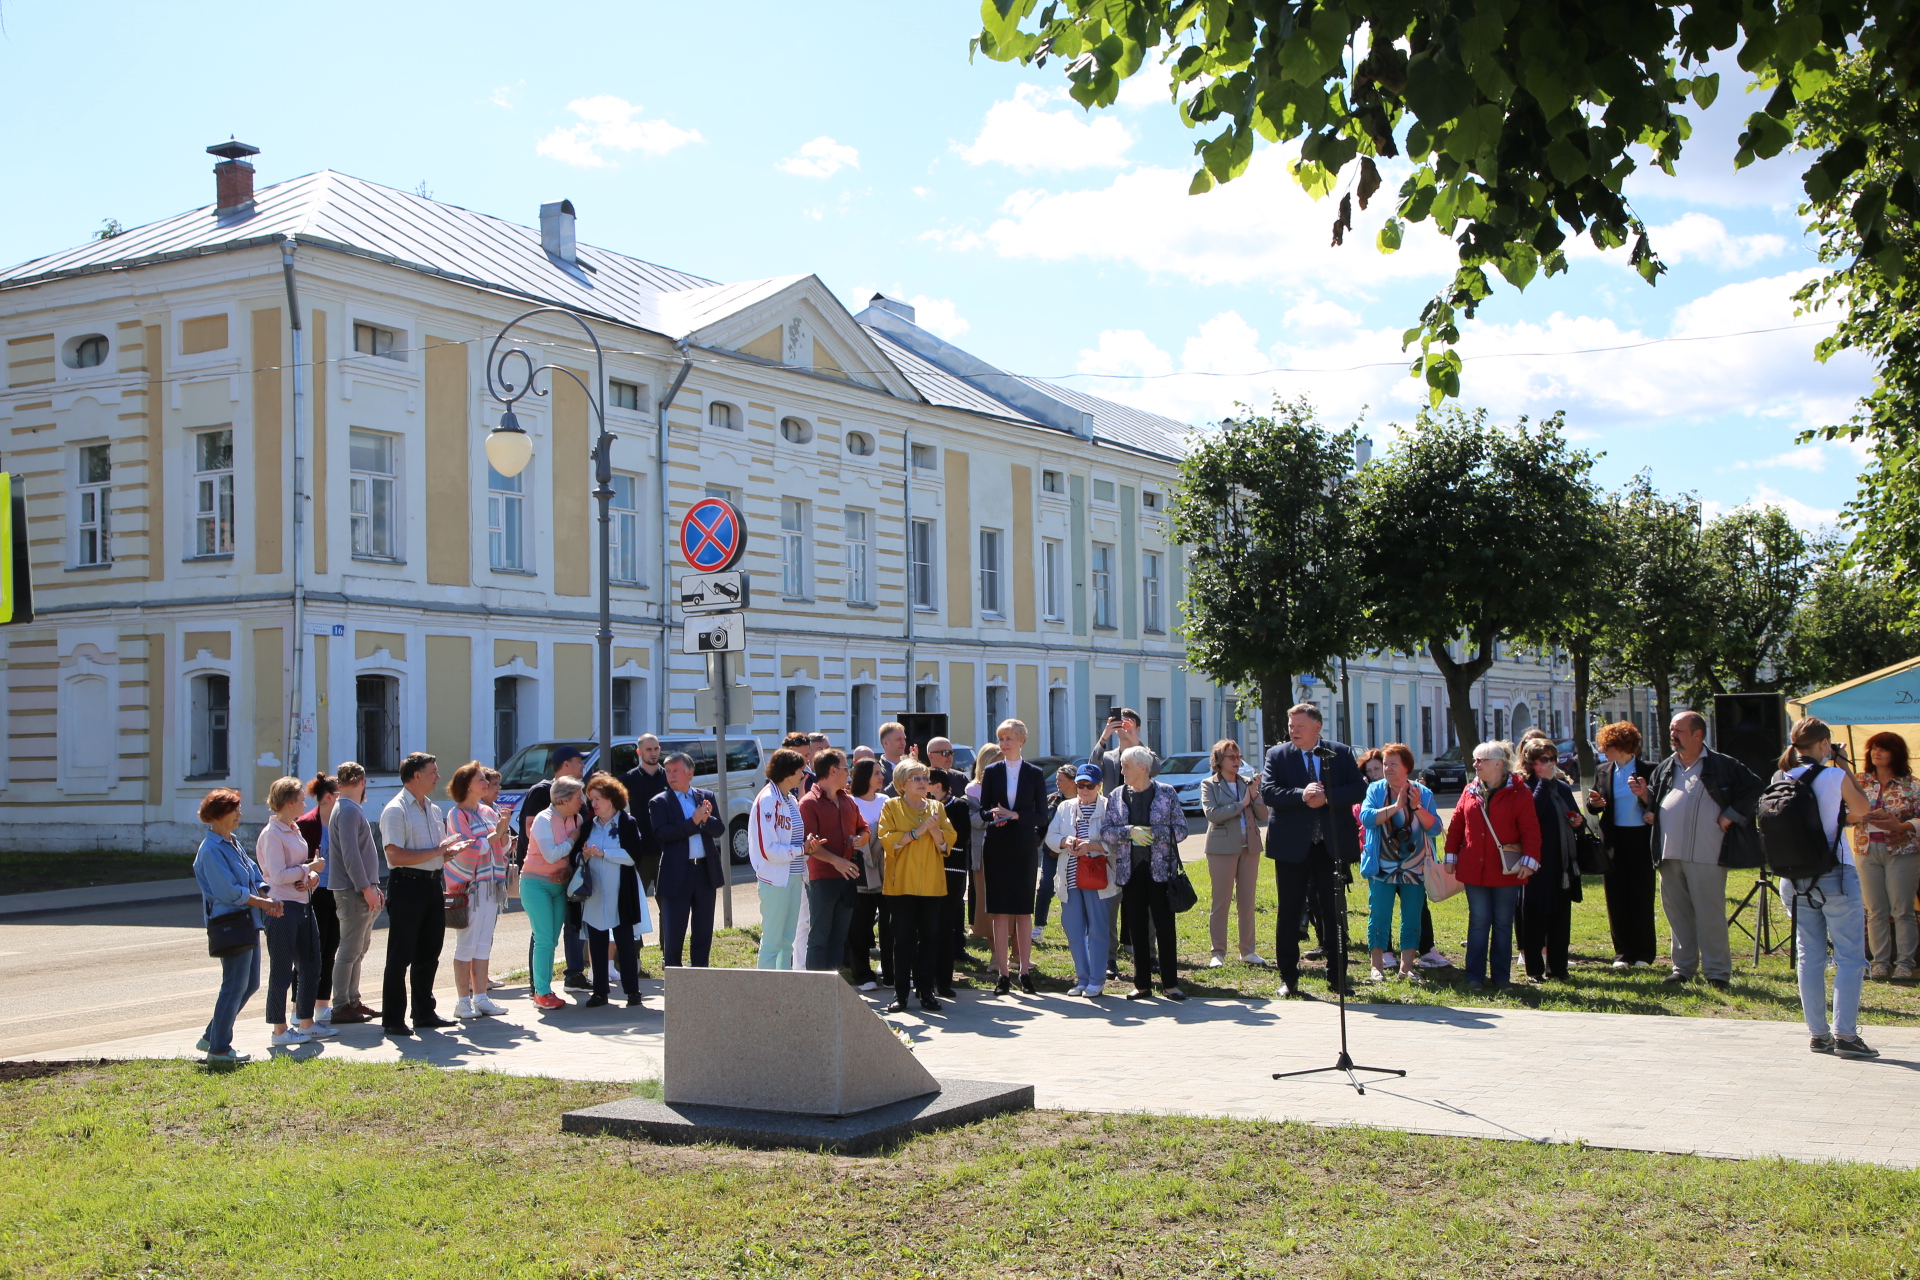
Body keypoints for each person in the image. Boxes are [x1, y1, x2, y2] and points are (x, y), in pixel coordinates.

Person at [1777, 717, 1886, 1057]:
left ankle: (1818, 1034)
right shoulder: (1836, 776)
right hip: (1834, 874)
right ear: (1824, 744)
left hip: (1794, 879)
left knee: (1810, 956)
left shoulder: (1781, 777)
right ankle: (1847, 1035)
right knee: (1850, 957)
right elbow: (1863, 808)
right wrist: (1841, 764)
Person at [1644, 710, 1764, 990]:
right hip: (1668, 852)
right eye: (1672, 730)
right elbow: (1655, 799)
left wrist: (1731, 814)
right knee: (1677, 914)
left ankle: (1717, 972)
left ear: (1698, 734)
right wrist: (1645, 799)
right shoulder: (1666, 766)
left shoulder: (1722, 765)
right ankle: (1683, 968)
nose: (1673, 736)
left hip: (1707, 854)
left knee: (1709, 913)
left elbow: (1755, 788)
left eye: (1679, 731)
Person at [1261, 703, 1364, 997]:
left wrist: (1327, 798)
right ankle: (1288, 978)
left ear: (1317, 727)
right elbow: (1268, 792)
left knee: (1333, 912)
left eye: (1300, 726)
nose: (1293, 731)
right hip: (1292, 847)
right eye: (1291, 726)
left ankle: (1338, 977)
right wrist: (1301, 795)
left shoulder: (1339, 753)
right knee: (1289, 911)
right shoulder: (1277, 755)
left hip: (1329, 845)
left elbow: (1358, 789)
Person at [379, 751, 470, 1037]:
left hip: (432, 883)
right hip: (406, 885)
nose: (438, 777)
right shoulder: (396, 809)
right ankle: (393, 1018)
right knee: (400, 954)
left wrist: (448, 852)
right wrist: (438, 852)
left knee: (429, 952)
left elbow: (433, 853)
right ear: (416, 775)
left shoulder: (432, 808)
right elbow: (394, 854)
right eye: (432, 772)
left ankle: (423, 1012)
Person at [1444, 741, 1541, 990]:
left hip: (1506, 871)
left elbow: (1530, 830)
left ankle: (1501, 977)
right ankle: (1474, 976)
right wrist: (1451, 855)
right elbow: (1457, 825)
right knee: (1478, 921)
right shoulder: (1470, 790)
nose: (1476, 764)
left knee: (1501, 923)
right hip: (1474, 870)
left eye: (1481, 760)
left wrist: (1530, 861)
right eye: (1475, 760)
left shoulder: (1521, 793)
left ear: (1499, 764)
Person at [194, 788, 280, 1066]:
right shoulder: (210, 850)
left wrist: (266, 893)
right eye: (235, 810)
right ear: (219, 814)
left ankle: (212, 1035)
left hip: (246, 921)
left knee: (249, 983)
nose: (240, 815)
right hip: (230, 924)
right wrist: (264, 904)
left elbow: (253, 871)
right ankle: (219, 1049)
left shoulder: (231, 841)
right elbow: (229, 893)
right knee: (234, 985)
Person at [1102, 745, 1191, 1000]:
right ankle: (1142, 985)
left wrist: (1152, 834)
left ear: (1143, 768)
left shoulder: (1166, 793)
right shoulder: (1117, 795)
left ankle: (1171, 984)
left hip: (1162, 872)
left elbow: (1181, 830)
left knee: (1164, 927)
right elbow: (1107, 831)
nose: (1122, 770)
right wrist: (1129, 831)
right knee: (1136, 930)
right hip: (1130, 871)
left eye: (1126, 766)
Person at [257, 776, 334, 1047]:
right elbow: (277, 875)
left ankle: (306, 1023)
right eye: (301, 798)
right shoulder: (272, 834)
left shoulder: (293, 828)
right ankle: (279, 1031)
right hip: (280, 908)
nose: (305, 802)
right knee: (282, 970)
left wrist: (309, 879)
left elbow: (298, 868)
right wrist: (310, 869)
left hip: (302, 903)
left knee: (311, 964)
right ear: (289, 802)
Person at [877, 759, 957, 1013]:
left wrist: (933, 831)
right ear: (902, 783)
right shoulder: (891, 806)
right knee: (902, 940)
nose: (924, 783)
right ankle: (900, 994)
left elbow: (947, 843)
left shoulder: (936, 806)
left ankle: (926, 991)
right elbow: (888, 841)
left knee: (930, 938)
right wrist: (917, 831)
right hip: (901, 885)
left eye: (925, 778)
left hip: (932, 886)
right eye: (917, 779)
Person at [1359, 744, 1438, 981]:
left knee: (1412, 915)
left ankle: (1407, 967)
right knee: (1379, 914)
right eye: (1385, 764)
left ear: (1407, 768)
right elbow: (1367, 818)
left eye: (1393, 764)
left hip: (1414, 866)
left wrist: (1416, 807)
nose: (1387, 769)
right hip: (1382, 864)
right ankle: (1377, 966)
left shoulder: (1423, 793)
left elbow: (1434, 828)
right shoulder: (1375, 790)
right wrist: (1395, 807)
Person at [980, 719, 1047, 996]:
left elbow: (1042, 816)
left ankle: (1024, 973)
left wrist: (1016, 815)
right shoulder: (991, 771)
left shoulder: (1034, 773)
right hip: (997, 844)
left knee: (1022, 908)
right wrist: (995, 815)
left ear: (1021, 740)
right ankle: (1003, 974)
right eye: (1001, 738)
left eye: (1009, 738)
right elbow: (983, 810)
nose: (1004, 743)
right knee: (1000, 909)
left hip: (1022, 845)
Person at [572, 773, 651, 1007]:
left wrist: (604, 853)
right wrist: (584, 855)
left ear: (611, 799)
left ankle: (632, 991)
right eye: (591, 800)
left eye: (597, 799)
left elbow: (634, 856)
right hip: (595, 893)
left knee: (624, 941)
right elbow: (575, 856)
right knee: (596, 941)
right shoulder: (589, 825)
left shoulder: (627, 822)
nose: (593, 804)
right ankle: (599, 992)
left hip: (621, 892)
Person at [517, 745, 590, 992]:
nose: (582, 803)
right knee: (544, 937)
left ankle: (565, 978)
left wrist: (570, 869)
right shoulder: (542, 805)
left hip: (563, 881)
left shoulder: (576, 816)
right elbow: (544, 845)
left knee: (558, 934)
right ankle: (539, 988)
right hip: (537, 879)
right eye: (578, 761)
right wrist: (570, 840)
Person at [1586, 720, 1658, 970]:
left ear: (1624, 746)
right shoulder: (1603, 770)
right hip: (1613, 840)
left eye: (1608, 746)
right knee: (1615, 897)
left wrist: (1650, 807)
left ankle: (1644, 954)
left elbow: (1660, 802)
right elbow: (1594, 804)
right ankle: (1623, 954)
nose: (1604, 751)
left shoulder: (1650, 769)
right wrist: (1594, 804)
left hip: (1641, 838)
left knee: (1641, 894)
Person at [445, 760, 511, 1018]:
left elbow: (500, 847)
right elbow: (467, 847)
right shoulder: (456, 814)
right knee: (466, 945)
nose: (487, 784)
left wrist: (503, 835)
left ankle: (481, 997)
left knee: (483, 944)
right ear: (466, 785)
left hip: (491, 886)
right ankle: (462, 1002)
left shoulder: (487, 811)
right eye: (481, 780)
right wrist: (497, 834)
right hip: (470, 889)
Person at [649, 752, 727, 967]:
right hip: (676, 875)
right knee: (674, 934)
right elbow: (662, 834)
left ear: (689, 773)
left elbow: (719, 829)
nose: (671, 775)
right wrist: (693, 821)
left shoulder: (705, 797)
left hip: (704, 872)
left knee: (703, 932)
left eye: (676, 771)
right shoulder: (659, 802)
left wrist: (704, 820)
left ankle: (700, 978)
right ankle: (674, 977)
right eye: (668, 772)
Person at [1518, 737, 1586, 982]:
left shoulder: (1563, 787)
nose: (1549, 764)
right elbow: (1532, 815)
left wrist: (1578, 823)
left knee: (1560, 917)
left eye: (1552, 759)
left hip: (1562, 862)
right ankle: (1534, 969)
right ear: (1530, 762)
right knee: (1535, 917)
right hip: (1535, 863)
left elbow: (1577, 819)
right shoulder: (1524, 786)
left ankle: (1558, 968)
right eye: (1542, 760)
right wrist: (1544, 783)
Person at [1046, 764, 1116, 996]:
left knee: (1097, 929)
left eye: (1089, 785)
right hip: (1070, 877)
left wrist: (1092, 846)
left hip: (1098, 878)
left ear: (1099, 786)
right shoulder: (1066, 807)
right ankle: (1083, 979)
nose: (1084, 790)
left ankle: (1097, 979)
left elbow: (1118, 841)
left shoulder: (1110, 807)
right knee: (1074, 930)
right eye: (1080, 785)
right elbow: (1050, 837)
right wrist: (1065, 841)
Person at [1855, 731, 1920, 980]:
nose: (1876, 752)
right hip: (1866, 850)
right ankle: (1879, 962)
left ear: (1897, 753)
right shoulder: (1860, 781)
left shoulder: (1911, 784)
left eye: (1883, 748)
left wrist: (1901, 826)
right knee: (1875, 910)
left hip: (1903, 851)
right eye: (1873, 748)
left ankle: (1905, 962)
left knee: (1902, 910)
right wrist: (1859, 816)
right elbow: (1844, 814)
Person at [749, 748, 820, 969]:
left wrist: (807, 844)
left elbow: (793, 838)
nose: (804, 774)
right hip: (775, 880)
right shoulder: (767, 800)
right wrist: (802, 848)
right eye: (800, 770)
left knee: (787, 942)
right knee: (772, 942)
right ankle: (765, 996)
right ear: (788, 772)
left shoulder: (789, 799)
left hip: (794, 876)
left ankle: (784, 991)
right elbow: (769, 849)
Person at [324, 762, 383, 1024]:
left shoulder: (348, 808)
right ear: (362, 781)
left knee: (358, 949)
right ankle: (340, 1006)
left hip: (361, 889)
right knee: (349, 950)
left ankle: (352, 1000)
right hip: (352, 891)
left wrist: (371, 887)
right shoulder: (347, 810)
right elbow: (351, 856)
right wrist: (366, 888)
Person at [1201, 739, 1268, 968]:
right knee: (1221, 901)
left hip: (1249, 847)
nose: (1236, 761)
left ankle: (1248, 951)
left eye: (1238, 757)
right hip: (1221, 849)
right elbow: (1213, 814)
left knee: (1247, 901)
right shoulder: (1209, 784)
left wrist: (1255, 793)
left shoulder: (1246, 783)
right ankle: (1218, 952)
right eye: (1231, 757)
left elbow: (1263, 815)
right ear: (1219, 761)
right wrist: (1241, 803)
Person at [800, 749, 867, 973]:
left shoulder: (847, 801)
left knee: (839, 938)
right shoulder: (809, 803)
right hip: (823, 879)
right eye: (846, 768)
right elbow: (809, 846)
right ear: (832, 770)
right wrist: (835, 861)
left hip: (847, 878)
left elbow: (864, 828)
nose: (849, 772)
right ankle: (816, 992)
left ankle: (834, 990)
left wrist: (860, 839)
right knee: (819, 937)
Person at [295, 772, 340, 1026]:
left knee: (330, 948)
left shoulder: (339, 822)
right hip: (313, 894)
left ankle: (322, 1005)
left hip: (336, 891)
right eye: (338, 796)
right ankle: (297, 1007)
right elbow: (296, 862)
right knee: (310, 952)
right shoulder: (307, 824)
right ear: (326, 798)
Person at [845, 757, 890, 990]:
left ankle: (891, 972)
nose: (882, 777)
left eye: (881, 773)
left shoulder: (886, 800)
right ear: (864, 777)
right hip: (860, 870)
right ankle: (863, 975)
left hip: (888, 871)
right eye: (876, 773)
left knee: (890, 923)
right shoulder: (850, 802)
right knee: (860, 926)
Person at [926, 769, 971, 997]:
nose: (925, 787)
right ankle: (925, 979)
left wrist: (940, 829)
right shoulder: (922, 807)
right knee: (926, 927)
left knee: (945, 926)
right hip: (927, 870)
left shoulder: (959, 806)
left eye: (929, 783)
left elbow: (962, 837)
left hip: (951, 871)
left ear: (940, 786)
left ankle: (944, 981)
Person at [1032, 764, 1076, 946]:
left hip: (1074, 855)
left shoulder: (1083, 801)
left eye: (1061, 780)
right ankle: (1039, 927)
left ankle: (1079, 930)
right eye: (1057, 779)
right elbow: (1041, 826)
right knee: (1045, 888)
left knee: (1074, 892)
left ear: (1073, 782)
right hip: (1051, 853)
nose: (1057, 783)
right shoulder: (1051, 800)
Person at [877, 721, 908, 789]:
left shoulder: (909, 765)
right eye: (898, 739)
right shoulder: (878, 770)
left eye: (904, 739)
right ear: (886, 743)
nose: (903, 743)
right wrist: (903, 776)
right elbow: (882, 796)